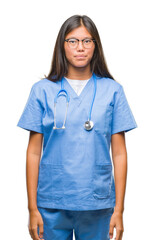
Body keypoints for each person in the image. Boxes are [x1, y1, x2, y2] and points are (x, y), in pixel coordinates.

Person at [17, 14, 138, 240]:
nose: (80, 48)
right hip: (52, 201)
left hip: (97, 202)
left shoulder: (113, 91)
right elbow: (33, 152)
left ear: (95, 46)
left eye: (87, 41)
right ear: (62, 46)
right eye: (72, 41)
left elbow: (120, 154)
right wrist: (32, 209)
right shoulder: (42, 90)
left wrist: (119, 211)